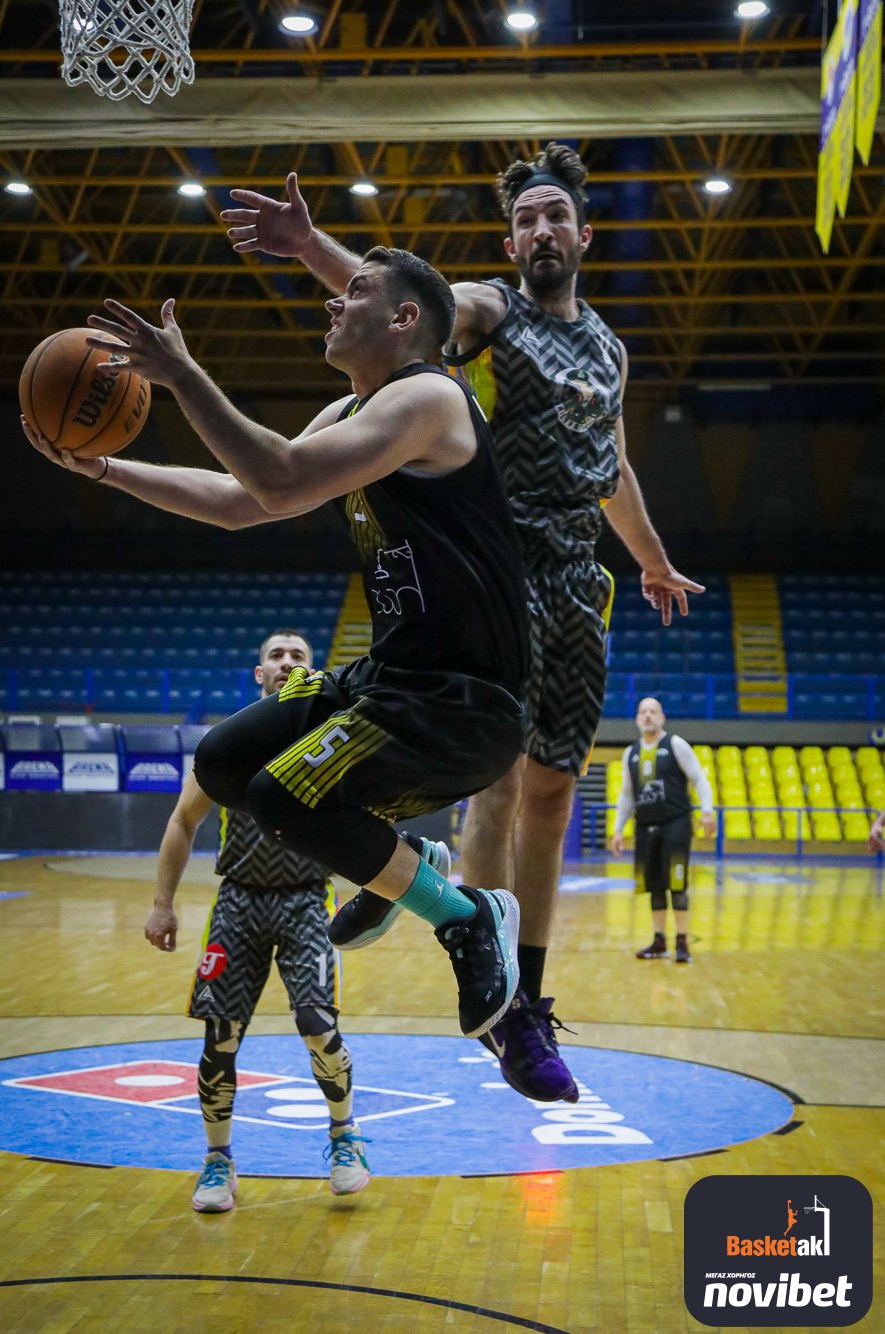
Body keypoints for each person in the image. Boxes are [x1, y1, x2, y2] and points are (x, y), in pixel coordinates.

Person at [220, 144, 703, 1102]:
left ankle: (524, 988)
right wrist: (312, 247)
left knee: (555, 793)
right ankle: (497, 997)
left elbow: (612, 467)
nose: (541, 230)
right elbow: (404, 311)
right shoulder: (490, 309)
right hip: (496, 562)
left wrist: (649, 557)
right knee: (501, 781)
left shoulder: (609, 350)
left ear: (585, 233)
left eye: (556, 216)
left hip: (580, 578)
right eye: (526, 219)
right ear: (512, 242)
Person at [21, 245, 530, 1054]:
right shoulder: (350, 411)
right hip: (392, 680)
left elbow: (282, 478)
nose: (333, 303)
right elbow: (240, 501)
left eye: (354, 292)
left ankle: (466, 915)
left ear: (404, 319)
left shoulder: (431, 396)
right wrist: (106, 469)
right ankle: (409, 861)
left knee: (283, 794)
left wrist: (183, 374)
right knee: (224, 762)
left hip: (463, 701)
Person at [144, 629, 372, 1209]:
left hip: (307, 900)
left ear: (311, 672)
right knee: (219, 1038)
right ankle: (217, 1161)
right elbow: (182, 821)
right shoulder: (230, 744)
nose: (287, 662)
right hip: (239, 902)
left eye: (298, 656)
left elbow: (371, 822)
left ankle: (345, 1136)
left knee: (319, 1025)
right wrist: (162, 903)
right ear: (259, 673)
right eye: (277, 655)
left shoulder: (332, 740)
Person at [610, 697, 715, 964]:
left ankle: (682, 941)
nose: (648, 715)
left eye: (653, 711)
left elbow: (699, 779)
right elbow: (627, 794)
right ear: (637, 719)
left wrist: (707, 811)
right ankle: (659, 941)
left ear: (662, 717)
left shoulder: (676, 744)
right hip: (645, 826)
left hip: (676, 823)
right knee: (654, 885)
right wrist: (618, 829)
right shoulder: (631, 753)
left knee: (677, 884)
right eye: (643, 711)